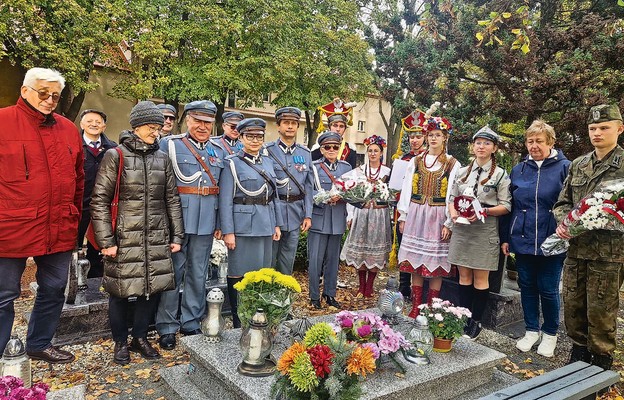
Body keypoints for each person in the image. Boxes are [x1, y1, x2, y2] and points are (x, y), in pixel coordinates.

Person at [90, 101, 184, 365]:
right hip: (124, 237)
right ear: (137, 126)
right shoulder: (115, 156)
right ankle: (120, 342)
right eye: (152, 127)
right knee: (120, 291)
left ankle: (140, 337)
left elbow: (171, 200)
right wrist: (106, 241)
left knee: (151, 289)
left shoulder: (162, 158)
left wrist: (177, 236)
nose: (157, 132)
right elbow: (99, 200)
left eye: (159, 128)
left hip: (156, 235)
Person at [0, 67, 84, 363]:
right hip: (9, 227)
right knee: (4, 295)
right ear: (25, 91)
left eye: (55, 96)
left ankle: (40, 343)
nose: (50, 100)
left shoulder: (68, 129)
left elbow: (78, 177)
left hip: (59, 225)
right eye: (43, 93)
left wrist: (74, 216)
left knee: (54, 289)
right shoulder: (3, 122)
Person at [553, 104, 624, 370]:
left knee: (602, 309)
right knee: (572, 303)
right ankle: (578, 354)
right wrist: (564, 223)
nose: (597, 133)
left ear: (619, 128)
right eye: (593, 128)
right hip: (577, 247)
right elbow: (562, 203)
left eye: (604, 128)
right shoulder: (578, 165)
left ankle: (600, 363)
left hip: (610, 252)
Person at [156, 100, 224, 350]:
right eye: (198, 121)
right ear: (187, 120)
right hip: (177, 220)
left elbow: (223, 189)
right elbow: (160, 185)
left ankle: (191, 321)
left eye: (208, 122)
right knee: (173, 273)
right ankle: (167, 326)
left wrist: (220, 222)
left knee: (199, 272)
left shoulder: (219, 150)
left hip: (207, 220)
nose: (203, 126)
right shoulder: (169, 145)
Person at [500, 120, 570, 357]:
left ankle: (550, 333)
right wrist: (506, 237)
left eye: (539, 141)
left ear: (551, 142)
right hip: (523, 237)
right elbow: (511, 206)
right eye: (530, 141)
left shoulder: (565, 168)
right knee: (527, 286)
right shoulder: (518, 170)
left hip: (553, 238)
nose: (534, 146)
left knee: (549, 288)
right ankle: (531, 330)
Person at [448, 126, 511, 339]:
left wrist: (483, 210)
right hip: (463, 228)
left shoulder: (501, 174)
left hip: (484, 228)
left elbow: (506, 205)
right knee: (463, 275)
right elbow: (451, 198)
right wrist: (454, 214)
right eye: (478, 143)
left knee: (480, 277)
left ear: (494, 148)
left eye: (486, 143)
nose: (481, 147)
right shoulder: (462, 171)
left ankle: (476, 321)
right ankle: (464, 317)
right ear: (472, 146)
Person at [219, 118, 282, 327]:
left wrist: (276, 224)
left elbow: (273, 197)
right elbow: (225, 200)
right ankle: (239, 321)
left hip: (265, 224)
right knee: (239, 273)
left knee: (260, 273)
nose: (255, 140)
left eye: (259, 136)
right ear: (241, 137)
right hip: (242, 227)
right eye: (250, 136)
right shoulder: (232, 163)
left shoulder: (267, 162)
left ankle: (257, 317)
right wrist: (228, 231)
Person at [397, 114, 460, 317]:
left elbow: (452, 193)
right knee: (416, 263)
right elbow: (407, 188)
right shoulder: (416, 161)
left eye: (438, 135)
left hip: (437, 216)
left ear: (445, 138)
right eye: (430, 135)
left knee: (436, 265)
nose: (433, 138)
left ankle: (431, 308)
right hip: (416, 214)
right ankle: (416, 306)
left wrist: (448, 223)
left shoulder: (452, 163)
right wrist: (403, 216)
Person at [340, 135, 392, 297]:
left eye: (376, 151)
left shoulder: (388, 172)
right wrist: (350, 215)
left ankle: (370, 286)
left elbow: (393, 195)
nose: (373, 153)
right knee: (361, 251)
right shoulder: (358, 172)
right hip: (361, 214)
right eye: (370, 150)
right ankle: (361, 286)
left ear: (381, 153)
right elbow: (349, 192)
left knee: (374, 253)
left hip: (379, 215)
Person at [265, 107, 313, 275]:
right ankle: (267, 296)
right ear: (278, 126)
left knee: (287, 260)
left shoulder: (305, 153)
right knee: (269, 259)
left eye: (294, 123)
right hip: (273, 212)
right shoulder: (267, 151)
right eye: (286, 123)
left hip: (295, 212)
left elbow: (308, 185)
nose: (290, 126)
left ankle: (283, 296)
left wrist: (308, 214)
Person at [308, 131, 352, 309]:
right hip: (320, 218)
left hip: (337, 219)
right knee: (315, 260)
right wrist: (324, 198)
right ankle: (313, 296)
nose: (332, 150)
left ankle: (330, 293)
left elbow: (352, 190)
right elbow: (308, 192)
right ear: (322, 149)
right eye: (327, 147)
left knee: (333, 260)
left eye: (335, 146)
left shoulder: (346, 168)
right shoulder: (314, 167)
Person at [77, 109, 117, 278]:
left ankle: (96, 277)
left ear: (104, 126)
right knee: (75, 244)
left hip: (103, 204)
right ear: (81, 124)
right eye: (89, 121)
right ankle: (74, 279)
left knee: (99, 244)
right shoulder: (74, 145)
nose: (94, 124)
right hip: (79, 203)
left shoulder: (113, 148)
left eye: (98, 122)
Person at [396, 114, 428, 299]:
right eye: (412, 137)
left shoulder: (429, 158)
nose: (414, 140)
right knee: (403, 246)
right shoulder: (403, 158)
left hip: (423, 208)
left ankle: (421, 287)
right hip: (404, 208)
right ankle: (403, 286)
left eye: (418, 136)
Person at [312, 99, 357, 169]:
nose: (338, 129)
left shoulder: (351, 149)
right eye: (335, 125)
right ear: (329, 127)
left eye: (341, 126)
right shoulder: (317, 148)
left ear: (345, 129)